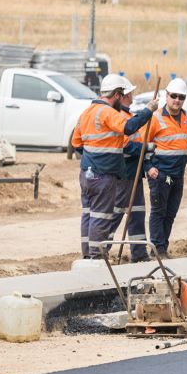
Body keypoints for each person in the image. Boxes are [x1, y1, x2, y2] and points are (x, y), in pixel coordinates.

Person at [71, 74, 157, 258]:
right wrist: (149, 110)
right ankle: (96, 257)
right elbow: (128, 127)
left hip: (86, 174)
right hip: (103, 175)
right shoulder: (108, 112)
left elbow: (76, 144)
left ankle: (87, 255)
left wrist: (92, 157)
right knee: (101, 217)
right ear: (117, 94)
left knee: (89, 215)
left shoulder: (86, 113)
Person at [145, 79, 187, 258]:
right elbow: (143, 145)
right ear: (166, 96)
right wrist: (148, 166)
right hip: (161, 175)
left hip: (177, 175)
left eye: (181, 97)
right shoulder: (156, 118)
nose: (177, 100)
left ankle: (162, 247)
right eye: (173, 96)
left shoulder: (186, 118)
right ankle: (157, 250)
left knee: (170, 213)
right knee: (159, 211)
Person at [107, 77, 151, 262]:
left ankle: (139, 254)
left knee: (138, 213)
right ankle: (100, 250)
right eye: (130, 92)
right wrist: (146, 148)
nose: (133, 94)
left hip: (135, 173)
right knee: (116, 213)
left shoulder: (129, 116)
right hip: (124, 174)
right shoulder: (120, 118)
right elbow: (125, 146)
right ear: (123, 95)